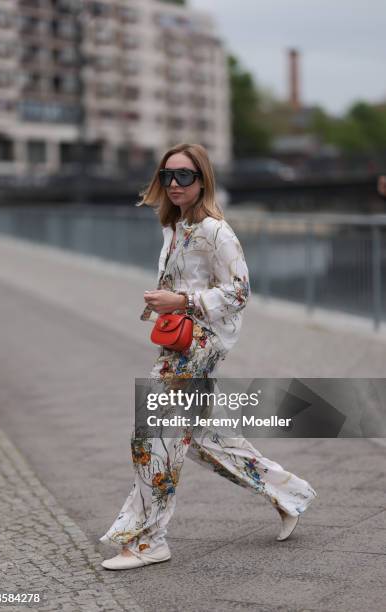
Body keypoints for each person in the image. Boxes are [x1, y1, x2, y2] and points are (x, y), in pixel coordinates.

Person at [99, 143, 317, 570]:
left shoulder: (217, 230)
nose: (175, 184)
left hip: (198, 347)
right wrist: (164, 301)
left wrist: (180, 300)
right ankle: (289, 493)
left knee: (153, 436)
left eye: (184, 176)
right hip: (179, 341)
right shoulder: (177, 225)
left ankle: (149, 540)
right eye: (167, 176)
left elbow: (240, 292)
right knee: (204, 439)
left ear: (203, 181)